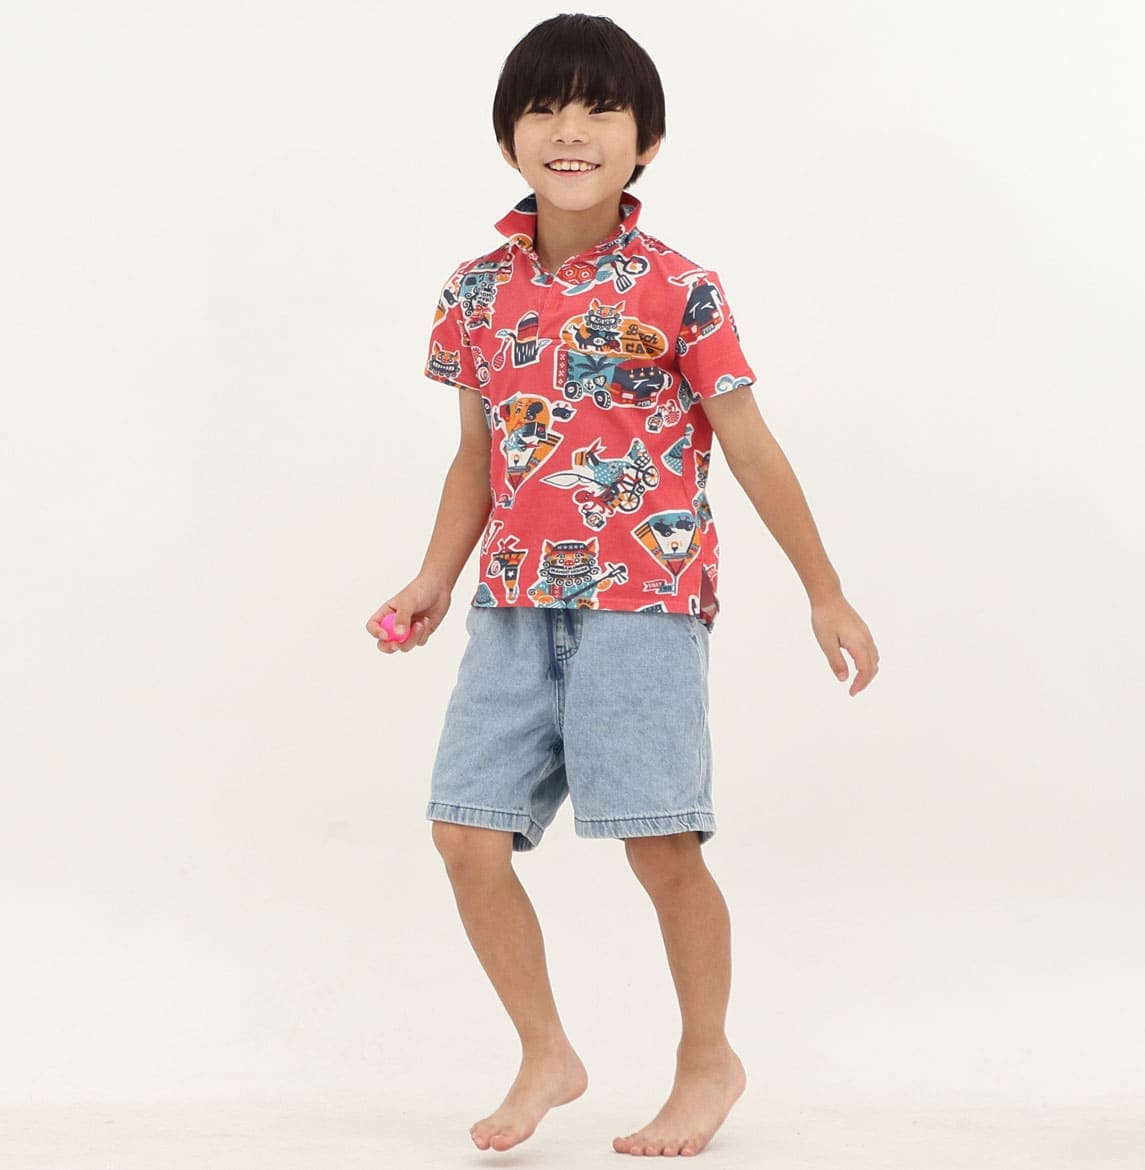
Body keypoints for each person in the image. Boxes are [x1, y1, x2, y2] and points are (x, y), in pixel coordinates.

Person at [366, 12, 879, 1157]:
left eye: (601, 109)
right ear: (508, 137)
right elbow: (477, 453)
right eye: (545, 108)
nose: (571, 130)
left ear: (646, 141)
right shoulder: (475, 291)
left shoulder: (681, 289)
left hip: (643, 607)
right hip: (512, 606)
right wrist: (434, 577)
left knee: (661, 844)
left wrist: (825, 591)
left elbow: (749, 445)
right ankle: (546, 1051)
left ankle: (709, 1060)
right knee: (464, 837)